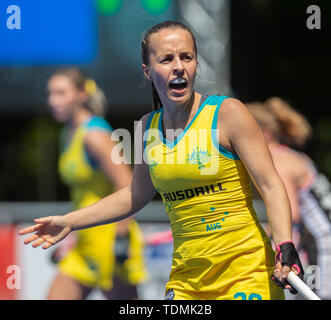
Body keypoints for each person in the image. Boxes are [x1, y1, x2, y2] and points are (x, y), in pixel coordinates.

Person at [20, 21, 303, 300]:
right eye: (166, 59)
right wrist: (70, 221)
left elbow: (270, 185)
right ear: (147, 71)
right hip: (187, 279)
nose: (178, 66)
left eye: (187, 57)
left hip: (245, 272)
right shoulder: (148, 128)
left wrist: (285, 245)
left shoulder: (228, 113)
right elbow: (134, 195)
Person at [43, 67, 148, 300]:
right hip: (84, 243)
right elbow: (85, 196)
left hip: (110, 243)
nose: (52, 101)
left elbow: (128, 187)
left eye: (60, 93)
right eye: (50, 94)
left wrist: (121, 242)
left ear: (82, 94)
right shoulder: (68, 133)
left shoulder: (95, 135)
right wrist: (72, 237)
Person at [247, 97, 331, 299]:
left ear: (264, 133)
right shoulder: (292, 155)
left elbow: (291, 215)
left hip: (321, 244)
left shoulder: (279, 161)